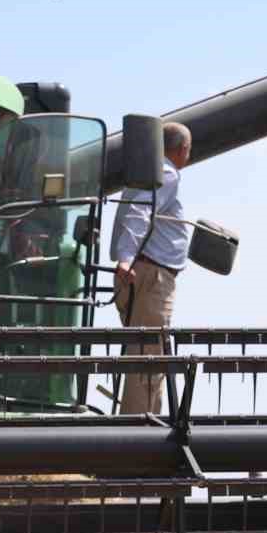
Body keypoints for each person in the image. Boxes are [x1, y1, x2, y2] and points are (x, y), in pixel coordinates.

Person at [109, 121, 193, 414]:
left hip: (139, 275)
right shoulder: (167, 174)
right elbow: (141, 213)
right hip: (152, 277)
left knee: (142, 353)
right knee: (149, 359)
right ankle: (137, 437)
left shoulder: (146, 175)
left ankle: (135, 427)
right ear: (183, 149)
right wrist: (126, 258)